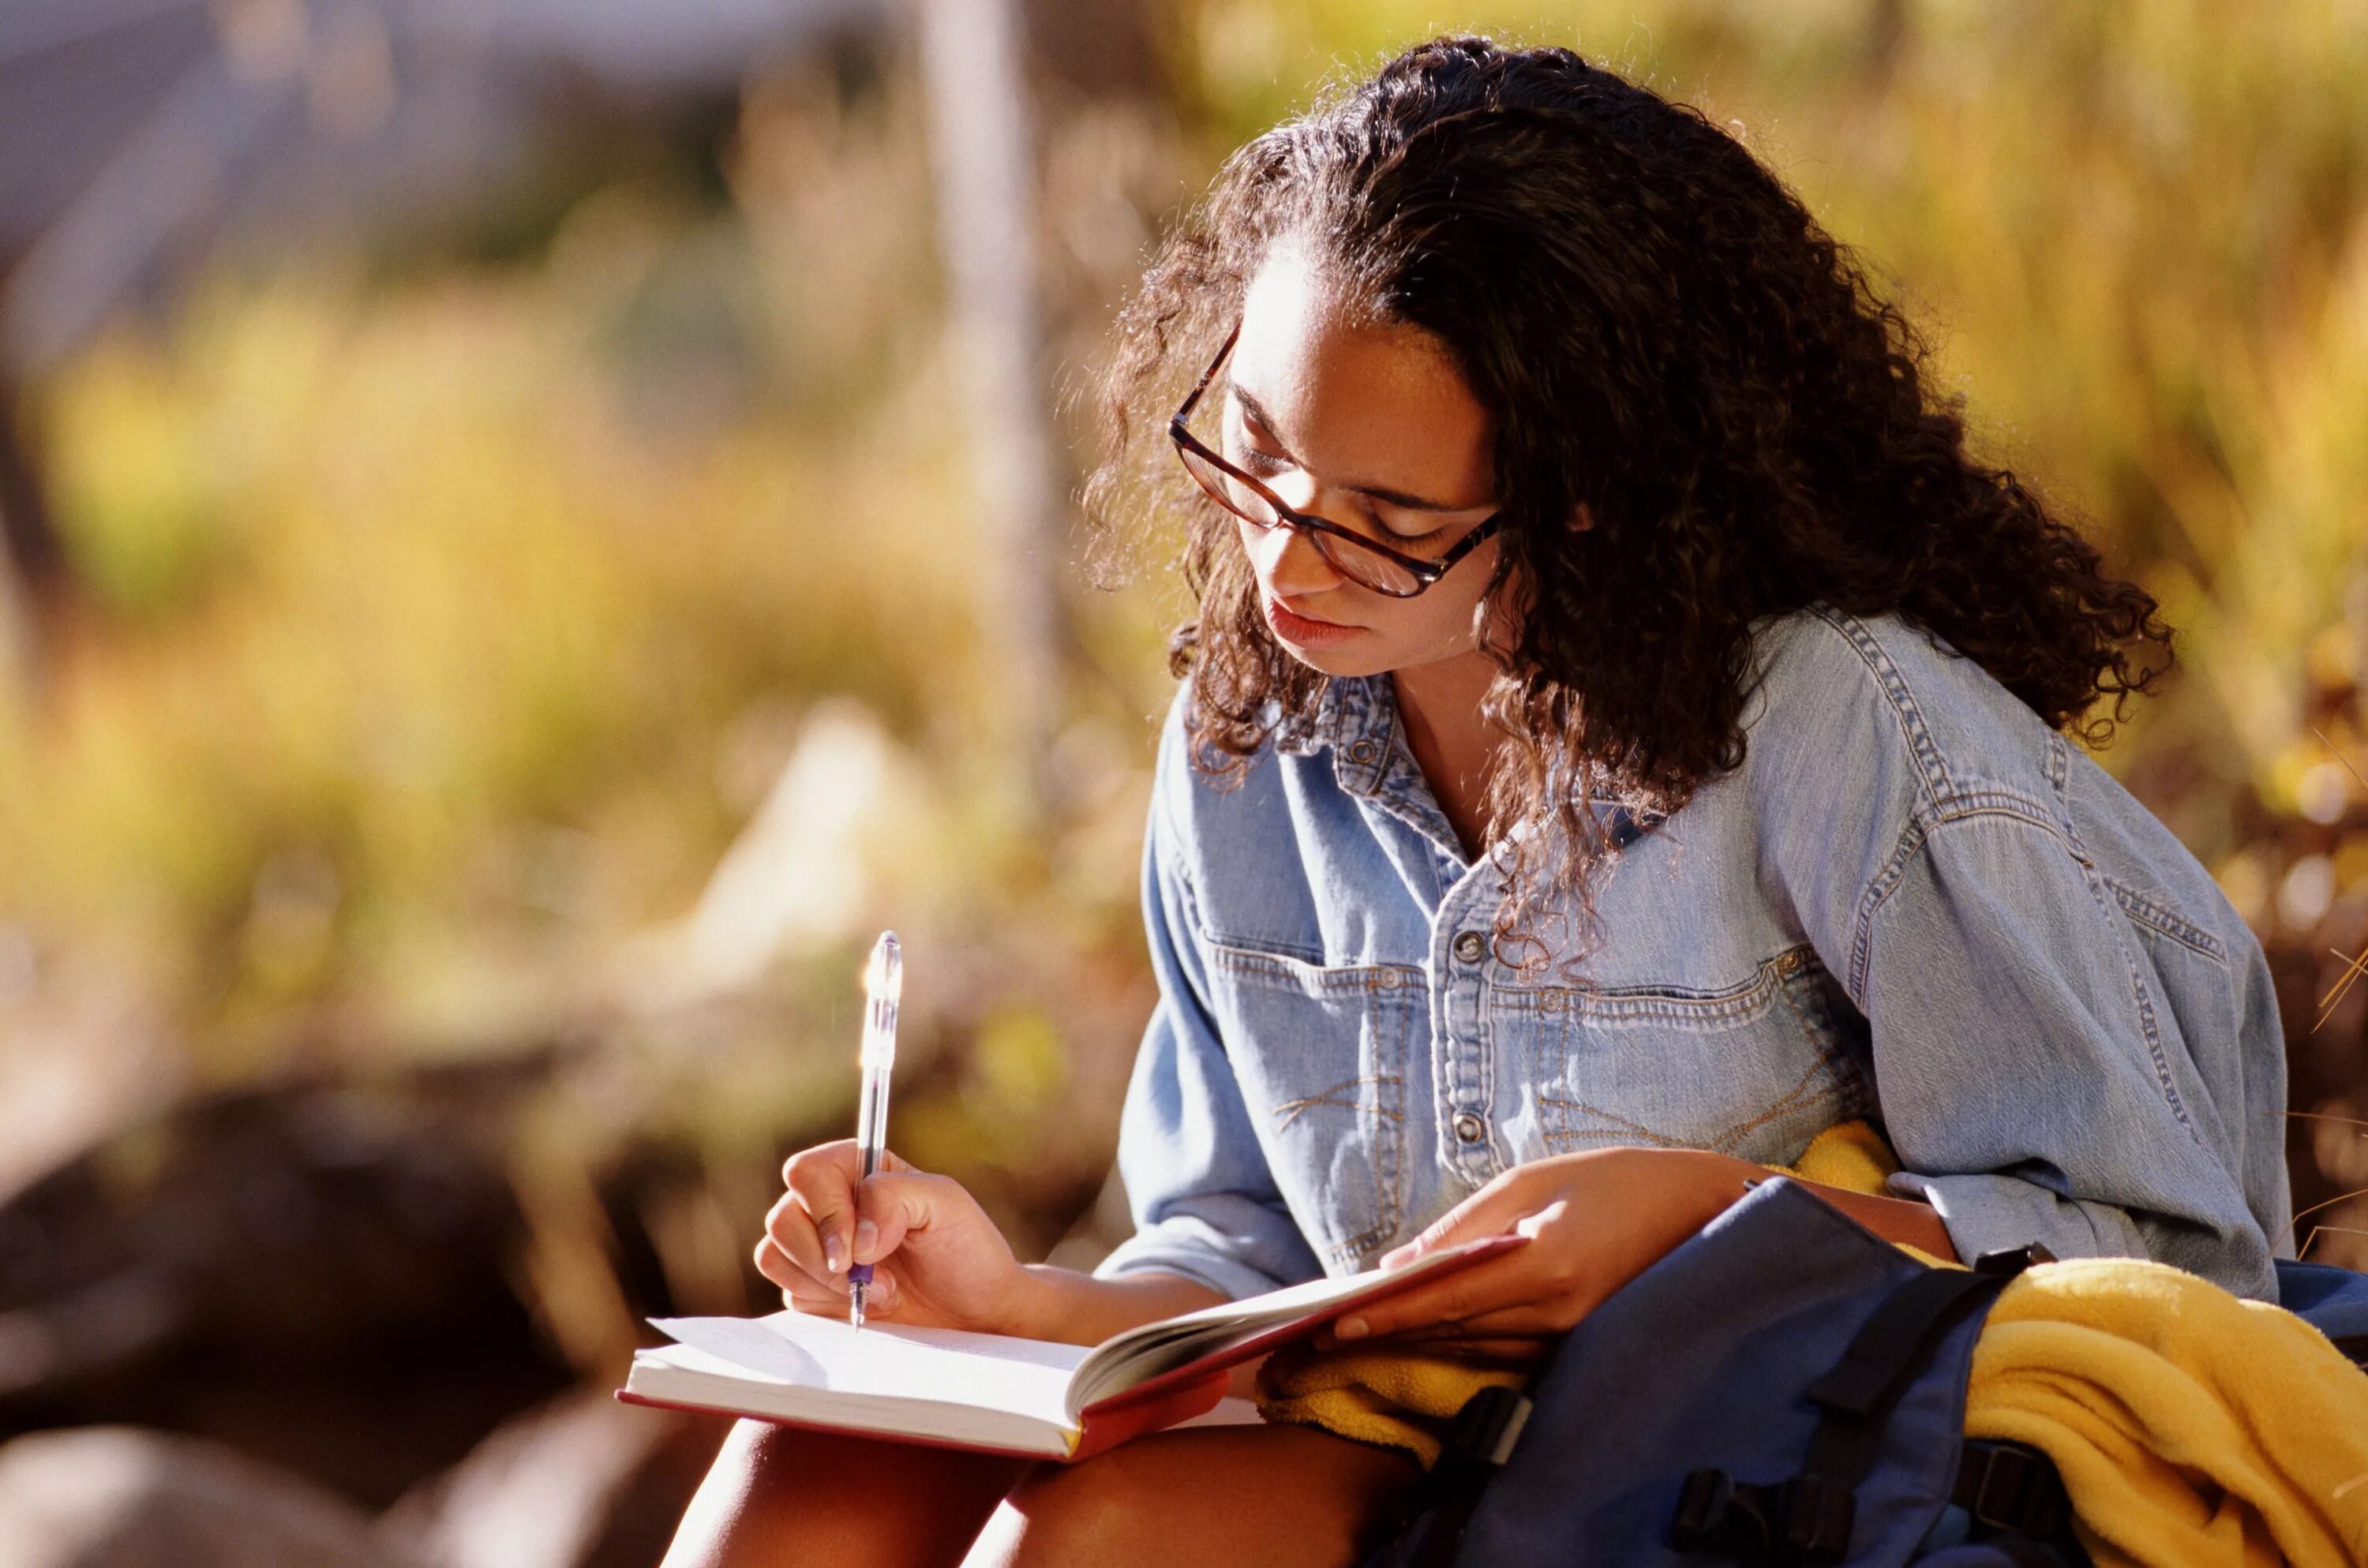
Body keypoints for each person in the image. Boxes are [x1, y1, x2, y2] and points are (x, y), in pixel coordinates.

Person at [661, 36, 2291, 1568]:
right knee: (808, 1467)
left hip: (1750, 1466)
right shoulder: (1247, 746)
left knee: (1091, 1543)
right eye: (1252, 451)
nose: (1284, 559)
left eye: (1383, 516)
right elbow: (1241, 1252)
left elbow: (2168, 1245)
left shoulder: (1827, 724)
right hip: (1429, 1447)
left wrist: (1715, 1220)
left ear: (1584, 497)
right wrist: (1006, 1296)